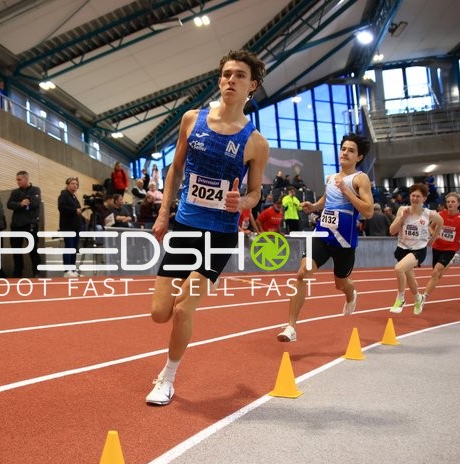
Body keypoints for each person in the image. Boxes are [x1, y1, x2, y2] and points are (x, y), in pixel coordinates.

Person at [145, 49, 269, 406]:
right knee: (159, 313)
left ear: (252, 86)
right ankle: (186, 289)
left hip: (220, 232)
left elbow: (256, 192)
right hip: (184, 224)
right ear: (219, 80)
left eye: (240, 76)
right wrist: (163, 214)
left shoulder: (255, 142)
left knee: (185, 309)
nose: (231, 80)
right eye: (226, 74)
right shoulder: (191, 119)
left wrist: (241, 203)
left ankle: (167, 379)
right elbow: (175, 169)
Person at [277, 133, 374, 342]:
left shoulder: (360, 178)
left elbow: (368, 212)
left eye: (351, 150)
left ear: (359, 157)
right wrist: (314, 206)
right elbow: (327, 198)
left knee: (340, 284)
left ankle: (350, 292)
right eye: (343, 149)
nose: (345, 153)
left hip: (344, 243)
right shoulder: (331, 178)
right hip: (322, 234)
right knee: (302, 273)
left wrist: (348, 192)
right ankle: (291, 327)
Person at [387, 183, 443, 315]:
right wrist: (402, 218)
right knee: (410, 279)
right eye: (413, 195)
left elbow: (440, 222)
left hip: (418, 250)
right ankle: (418, 297)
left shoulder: (429, 214)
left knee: (399, 268)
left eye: (418, 196)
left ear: (424, 198)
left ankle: (400, 299)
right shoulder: (402, 210)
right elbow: (392, 231)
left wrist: (434, 237)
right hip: (402, 249)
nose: (415, 198)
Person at [422, 192, 460, 303]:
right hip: (437, 246)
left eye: (453, 202)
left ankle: (423, 297)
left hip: (451, 248)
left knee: (436, 272)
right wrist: (434, 234)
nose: (450, 204)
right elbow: (430, 227)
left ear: (458, 204)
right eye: (448, 202)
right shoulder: (440, 215)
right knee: (438, 275)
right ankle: (451, 261)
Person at [7, 170, 42, 278]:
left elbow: (35, 203)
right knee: (16, 249)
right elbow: (9, 204)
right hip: (16, 225)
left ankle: (36, 271)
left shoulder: (35, 190)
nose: (17, 182)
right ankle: (18, 271)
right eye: (16, 180)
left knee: (32, 248)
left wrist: (27, 202)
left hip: (30, 224)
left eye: (19, 180)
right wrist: (21, 204)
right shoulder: (15, 192)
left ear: (26, 179)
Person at [57, 177, 83, 278]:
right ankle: (67, 270)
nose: (74, 185)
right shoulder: (63, 195)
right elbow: (62, 208)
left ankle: (72, 269)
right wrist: (74, 211)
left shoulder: (74, 197)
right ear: (67, 185)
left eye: (76, 184)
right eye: (72, 183)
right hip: (67, 226)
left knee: (74, 248)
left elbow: (78, 210)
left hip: (75, 226)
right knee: (69, 247)